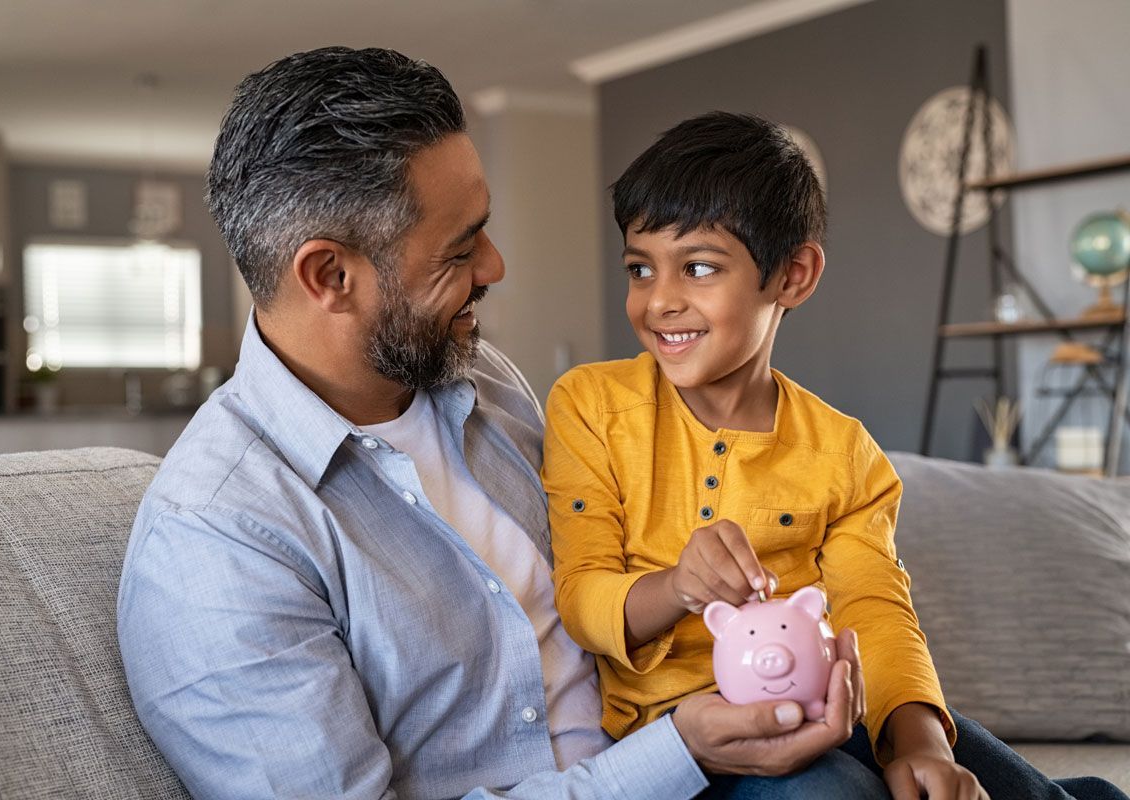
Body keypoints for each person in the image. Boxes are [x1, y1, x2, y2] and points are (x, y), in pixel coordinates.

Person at [116, 48, 888, 800]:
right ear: (331, 276)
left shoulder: (479, 382)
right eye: (460, 249)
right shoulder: (216, 540)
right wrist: (678, 753)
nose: (495, 267)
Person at [541, 110, 1129, 800]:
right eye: (641, 268)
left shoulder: (843, 451)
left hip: (837, 702)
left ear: (792, 276)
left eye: (698, 267)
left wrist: (920, 741)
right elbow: (581, 595)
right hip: (689, 740)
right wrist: (679, 587)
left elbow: (875, 607)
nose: (660, 300)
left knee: (998, 780)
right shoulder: (590, 405)